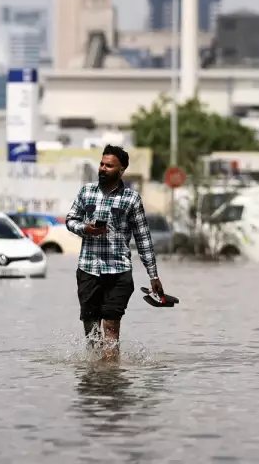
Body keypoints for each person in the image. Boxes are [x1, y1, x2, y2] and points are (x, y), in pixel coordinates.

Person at [65, 145, 164, 358]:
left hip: (118, 272)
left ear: (121, 170)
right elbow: (70, 220)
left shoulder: (131, 199)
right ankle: (94, 377)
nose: (102, 169)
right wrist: (86, 229)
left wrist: (153, 274)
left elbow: (143, 238)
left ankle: (110, 377)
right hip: (88, 270)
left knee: (111, 325)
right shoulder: (86, 192)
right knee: (91, 329)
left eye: (109, 166)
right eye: (101, 164)